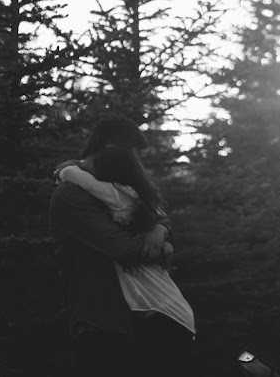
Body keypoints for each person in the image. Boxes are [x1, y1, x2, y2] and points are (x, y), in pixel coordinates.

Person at [49, 116, 193, 377]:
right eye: (134, 152)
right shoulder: (73, 195)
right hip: (102, 319)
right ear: (112, 148)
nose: (136, 161)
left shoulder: (112, 188)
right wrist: (161, 244)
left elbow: (155, 217)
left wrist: (161, 230)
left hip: (139, 316)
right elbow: (127, 249)